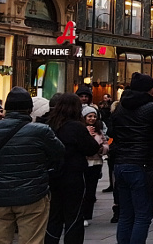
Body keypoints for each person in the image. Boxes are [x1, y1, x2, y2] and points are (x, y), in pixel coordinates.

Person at [0, 87, 65, 244]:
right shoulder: (41, 131)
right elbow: (59, 152)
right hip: (32, 193)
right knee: (32, 240)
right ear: (29, 109)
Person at [109, 73, 153, 244]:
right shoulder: (152, 108)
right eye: (152, 87)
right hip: (141, 164)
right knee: (142, 215)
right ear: (148, 89)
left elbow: (112, 132)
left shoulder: (120, 107)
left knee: (126, 214)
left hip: (120, 163)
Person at [45, 93, 101, 244]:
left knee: (54, 216)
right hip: (73, 175)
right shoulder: (76, 127)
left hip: (53, 175)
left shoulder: (50, 125)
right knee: (74, 215)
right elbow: (91, 148)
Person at [80, 107, 109, 227]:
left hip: (96, 162)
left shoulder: (99, 131)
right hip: (84, 163)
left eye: (94, 116)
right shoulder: (81, 129)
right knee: (82, 189)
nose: (92, 119)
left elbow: (106, 143)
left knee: (91, 190)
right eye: (89, 116)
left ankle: (87, 214)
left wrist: (103, 149)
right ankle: (81, 214)